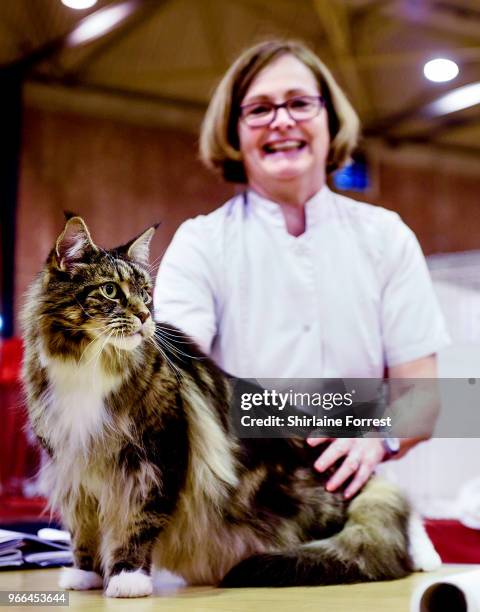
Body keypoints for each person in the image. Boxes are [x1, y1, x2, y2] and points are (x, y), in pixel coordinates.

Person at [154, 40, 450, 498]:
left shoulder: (386, 236)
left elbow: (426, 397)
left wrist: (377, 435)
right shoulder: (200, 243)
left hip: (363, 504)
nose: (282, 120)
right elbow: (174, 384)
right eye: (259, 109)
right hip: (239, 507)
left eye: (299, 103)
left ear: (330, 119)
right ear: (234, 131)